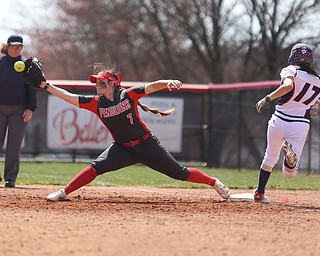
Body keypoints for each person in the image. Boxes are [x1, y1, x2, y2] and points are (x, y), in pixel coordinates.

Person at [44, 67, 230, 201]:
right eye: (95, 82)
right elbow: (67, 96)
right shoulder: (96, 103)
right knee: (95, 167)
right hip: (122, 148)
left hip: (147, 145)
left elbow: (151, 86)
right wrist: (46, 86)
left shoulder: (129, 95)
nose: (97, 85)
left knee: (180, 173)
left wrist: (168, 82)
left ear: (113, 83)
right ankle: (64, 192)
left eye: (101, 82)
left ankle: (214, 182)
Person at [254, 43, 320, 202]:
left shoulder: (290, 70)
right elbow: (314, 110)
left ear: (293, 57)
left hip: (279, 120)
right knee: (289, 173)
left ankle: (259, 192)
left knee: (270, 157)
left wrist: (268, 98)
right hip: (300, 124)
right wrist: (313, 109)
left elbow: (288, 85)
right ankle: (290, 159)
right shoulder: (317, 80)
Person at [0, 35, 37, 188]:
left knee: (14, 146)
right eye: (14, 46)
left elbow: (32, 89)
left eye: (20, 46)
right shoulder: (1, 63)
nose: (17, 49)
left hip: (19, 110)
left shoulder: (26, 66)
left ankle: (10, 178)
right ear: (7, 47)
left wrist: (30, 108)